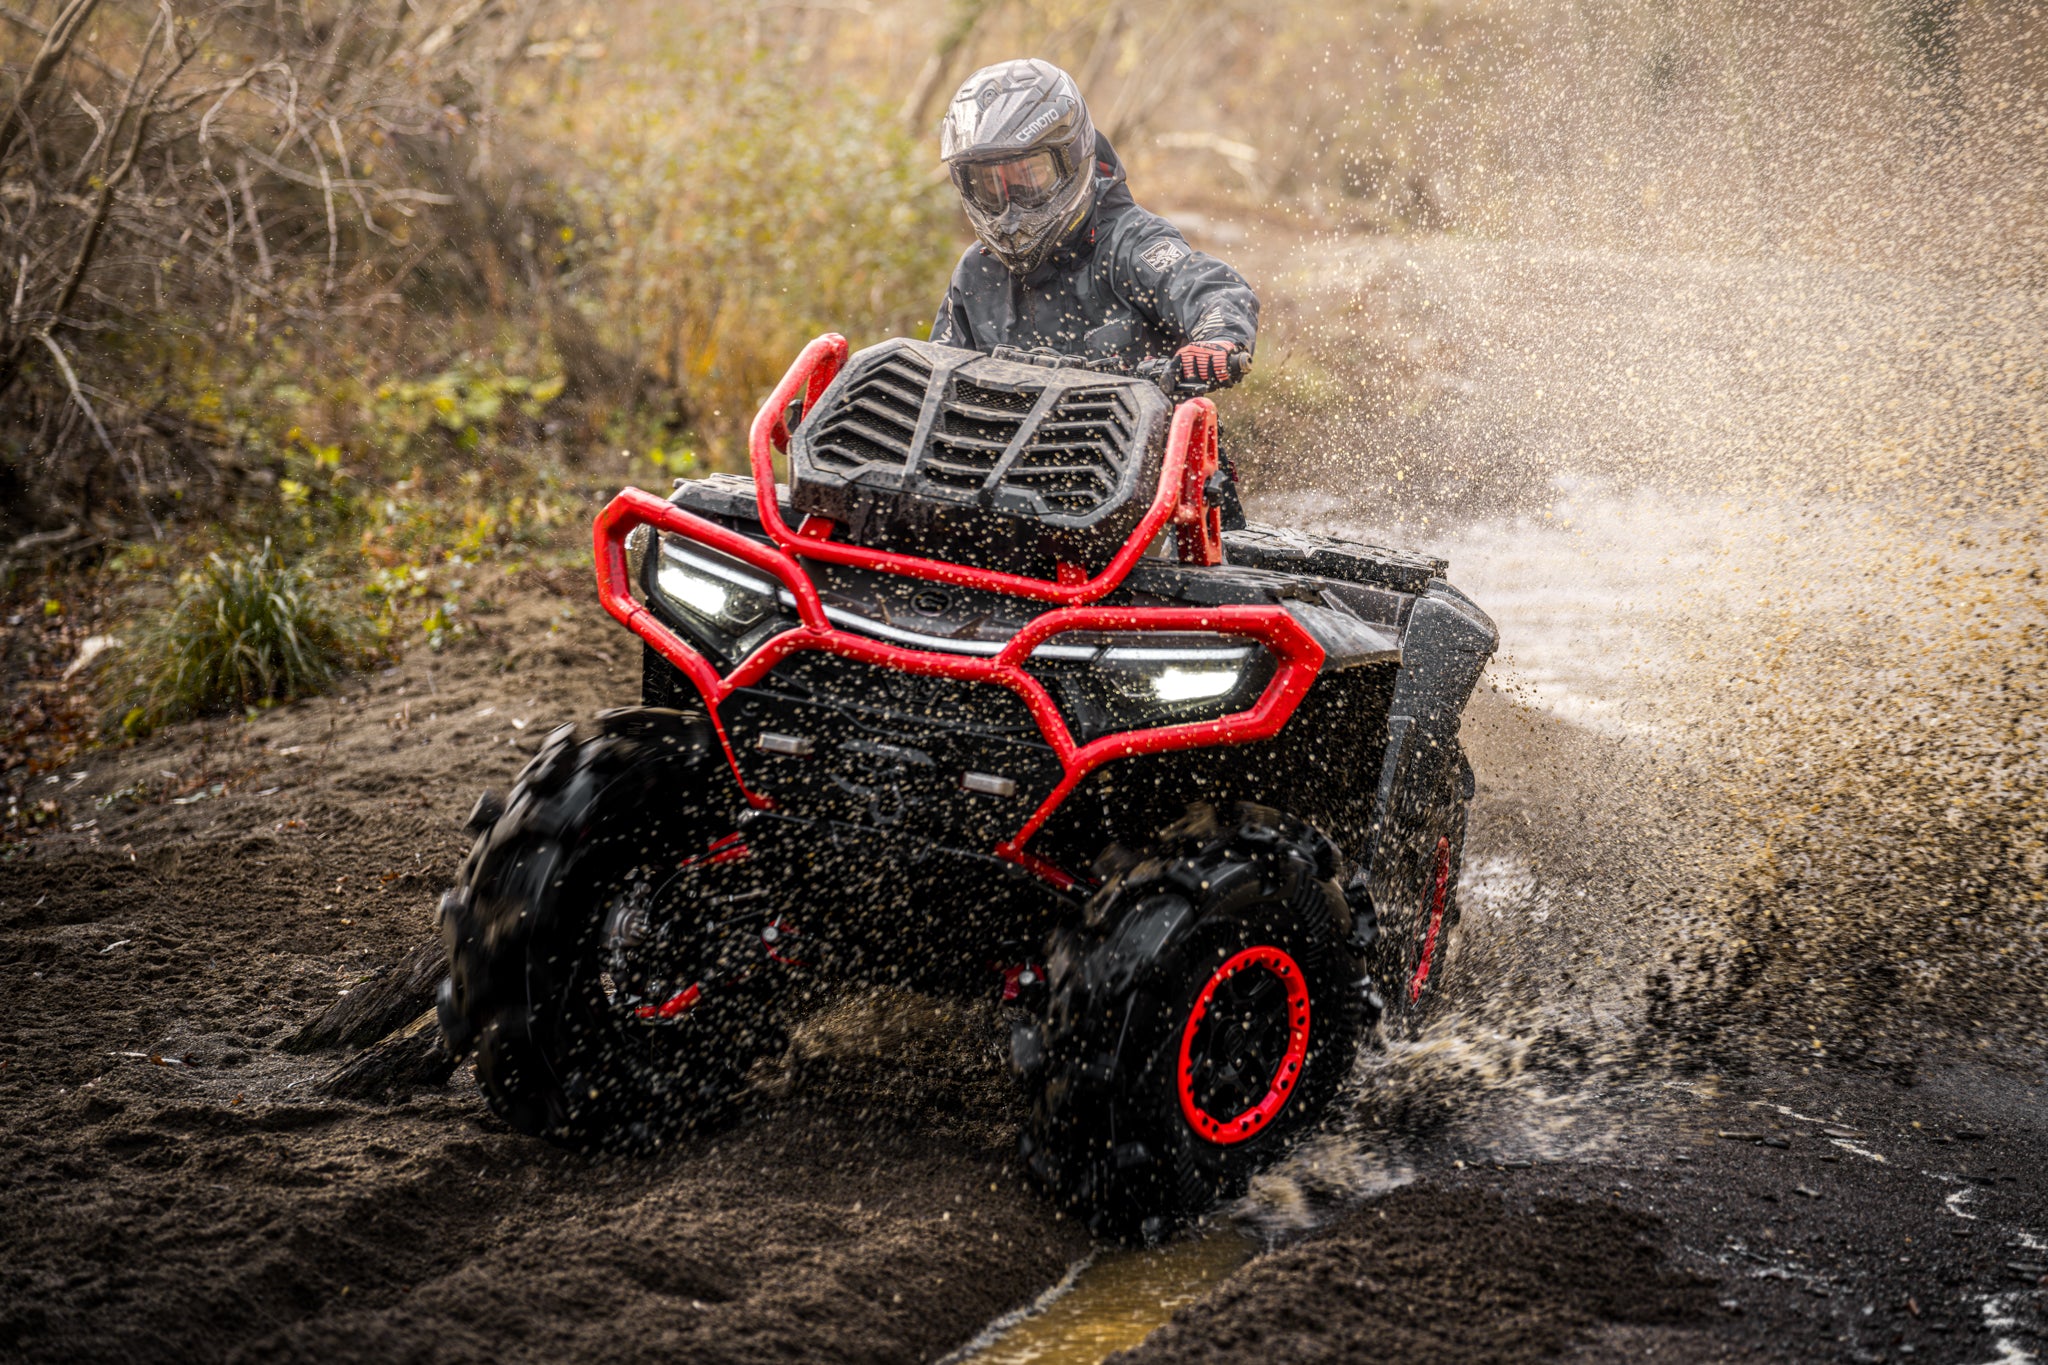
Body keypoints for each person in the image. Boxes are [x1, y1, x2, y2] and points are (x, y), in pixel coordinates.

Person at [929, 58, 1258, 526]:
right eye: (989, 184)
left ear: (1072, 157)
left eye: (1028, 176)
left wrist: (1217, 338)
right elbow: (936, 376)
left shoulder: (1131, 243)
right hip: (1003, 497)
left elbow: (1211, 287)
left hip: (1148, 501)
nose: (1010, 203)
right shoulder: (977, 273)